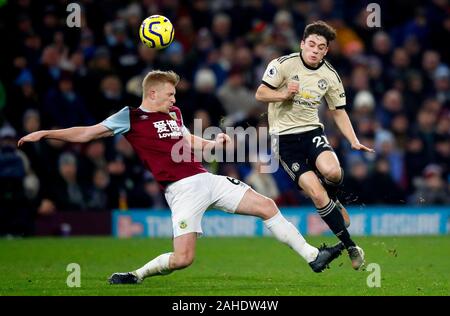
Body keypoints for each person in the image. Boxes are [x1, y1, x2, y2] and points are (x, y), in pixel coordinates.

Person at [18, 70, 344, 285]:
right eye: (171, 94)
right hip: (182, 190)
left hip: (206, 179)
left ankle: (313, 257)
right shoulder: (130, 117)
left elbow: (189, 140)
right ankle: (136, 274)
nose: (175, 100)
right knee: (183, 259)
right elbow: (87, 133)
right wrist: (46, 133)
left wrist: (213, 143)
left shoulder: (173, 114)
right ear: (154, 93)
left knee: (267, 205)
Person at [255, 21, 375, 270]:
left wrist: (353, 140)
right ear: (302, 44)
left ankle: (335, 199)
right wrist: (284, 94)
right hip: (284, 140)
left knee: (333, 172)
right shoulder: (283, 65)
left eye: (321, 47)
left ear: (326, 51)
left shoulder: (330, 75)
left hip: (312, 132)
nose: (315, 50)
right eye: (311, 44)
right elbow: (261, 94)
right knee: (316, 194)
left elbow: (339, 111)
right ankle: (351, 246)